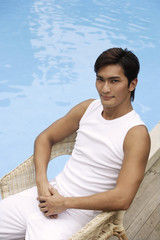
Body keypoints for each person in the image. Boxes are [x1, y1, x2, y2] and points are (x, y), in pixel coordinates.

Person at [0, 47, 150, 240]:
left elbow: (123, 198)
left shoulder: (135, 133)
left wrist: (65, 203)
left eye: (114, 81)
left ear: (132, 84)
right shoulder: (88, 108)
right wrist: (42, 181)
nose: (105, 89)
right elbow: (45, 138)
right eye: (100, 79)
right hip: (49, 194)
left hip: (80, 213)